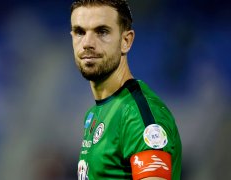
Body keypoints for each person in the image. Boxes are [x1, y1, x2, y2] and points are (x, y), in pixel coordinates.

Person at [69, 0, 182, 179]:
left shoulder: (136, 113)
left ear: (126, 41)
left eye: (102, 31)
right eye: (80, 32)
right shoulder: (95, 114)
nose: (87, 43)